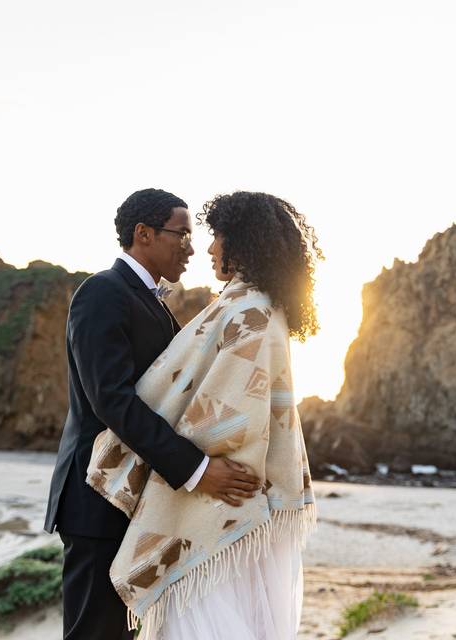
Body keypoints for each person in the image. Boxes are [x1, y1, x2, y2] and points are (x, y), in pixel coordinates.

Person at [86, 191, 322, 640]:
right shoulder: (246, 306)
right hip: (184, 486)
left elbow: (230, 412)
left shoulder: (249, 310)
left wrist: (199, 470)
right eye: (192, 235)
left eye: (215, 237)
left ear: (243, 242)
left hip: (214, 493)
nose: (206, 249)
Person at [43, 188, 262, 640]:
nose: (191, 247)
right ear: (143, 234)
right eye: (180, 235)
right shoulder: (101, 292)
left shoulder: (156, 305)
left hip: (134, 501)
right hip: (95, 500)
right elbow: (112, 401)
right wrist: (198, 471)